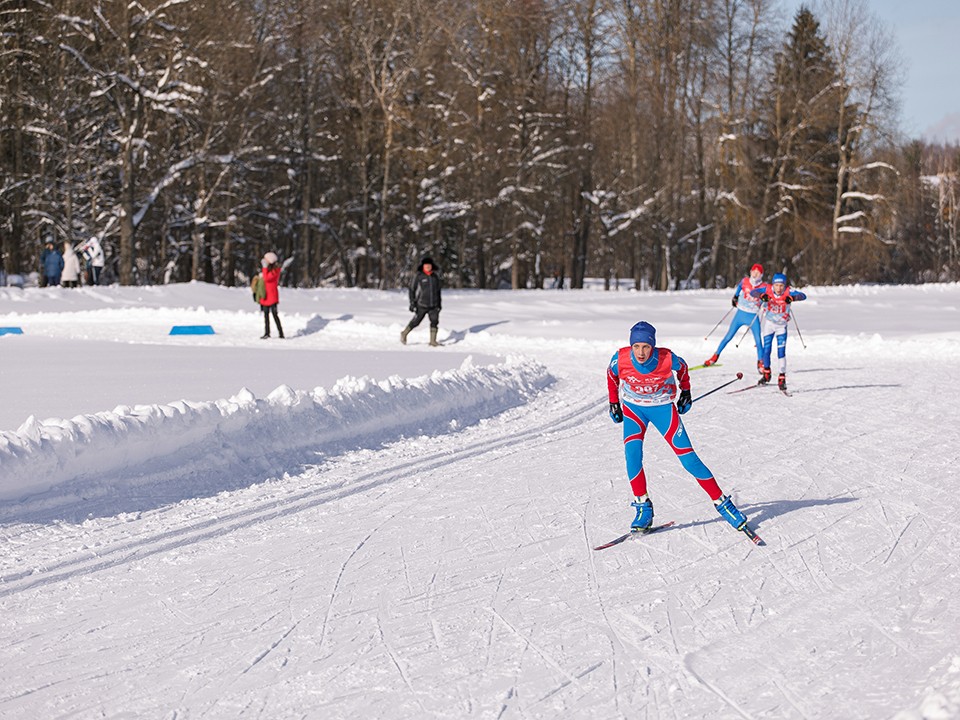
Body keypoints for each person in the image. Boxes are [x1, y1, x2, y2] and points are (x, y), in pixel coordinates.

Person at [607, 321, 749, 533]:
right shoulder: (621, 358)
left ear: (653, 345)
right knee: (632, 455)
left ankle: (722, 503)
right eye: (636, 346)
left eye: (646, 346)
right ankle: (643, 507)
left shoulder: (666, 358)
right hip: (634, 410)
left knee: (689, 459)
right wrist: (614, 402)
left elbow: (682, 369)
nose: (641, 352)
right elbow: (611, 376)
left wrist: (686, 392)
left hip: (662, 408)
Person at [703, 263, 765, 374]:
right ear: (750, 272)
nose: (755, 274)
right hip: (740, 314)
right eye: (753, 271)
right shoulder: (745, 281)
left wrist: (765, 302)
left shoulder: (763, 286)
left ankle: (760, 363)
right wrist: (735, 296)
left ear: (761, 274)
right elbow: (740, 287)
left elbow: (769, 296)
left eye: (758, 272)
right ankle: (715, 356)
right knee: (728, 336)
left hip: (753, 316)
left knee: (758, 341)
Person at [749, 272, 806, 390]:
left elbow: (803, 296)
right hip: (769, 324)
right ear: (773, 285)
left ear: (784, 285)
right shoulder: (768, 289)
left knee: (781, 352)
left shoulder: (788, 291)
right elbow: (753, 292)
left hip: (781, 326)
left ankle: (781, 378)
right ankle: (766, 374)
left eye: (781, 285)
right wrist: (762, 296)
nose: (779, 288)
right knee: (766, 350)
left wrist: (793, 298)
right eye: (776, 285)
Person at [400, 255, 442, 347]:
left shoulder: (435, 277)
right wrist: (412, 303)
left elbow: (438, 291)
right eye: (426, 265)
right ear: (423, 266)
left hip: (433, 305)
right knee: (416, 322)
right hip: (421, 304)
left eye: (429, 265)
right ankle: (404, 333)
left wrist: (439, 304)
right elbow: (412, 289)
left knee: (434, 321)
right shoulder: (418, 276)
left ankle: (433, 341)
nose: (428, 267)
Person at [258, 251, 284, 339]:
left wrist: (264, 268)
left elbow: (267, 278)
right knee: (266, 315)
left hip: (272, 296)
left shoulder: (275, 270)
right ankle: (267, 332)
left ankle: (281, 333)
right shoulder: (268, 270)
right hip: (266, 296)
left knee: (274, 314)